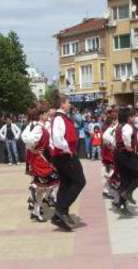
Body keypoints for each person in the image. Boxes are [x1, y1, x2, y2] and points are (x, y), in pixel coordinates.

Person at [50, 93, 86, 231]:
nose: (69, 104)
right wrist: (67, 148)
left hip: (64, 155)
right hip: (65, 155)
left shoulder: (63, 118)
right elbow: (57, 138)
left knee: (66, 183)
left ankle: (59, 216)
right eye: (68, 102)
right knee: (79, 181)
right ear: (62, 104)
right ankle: (61, 210)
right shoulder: (59, 119)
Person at [22, 103, 59, 223]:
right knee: (54, 179)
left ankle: (36, 210)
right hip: (40, 160)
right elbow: (27, 138)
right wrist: (31, 148)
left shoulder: (41, 126)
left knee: (44, 187)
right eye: (46, 113)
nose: (48, 115)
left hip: (42, 158)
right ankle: (35, 190)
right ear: (42, 115)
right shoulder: (38, 127)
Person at [115, 108, 138, 214]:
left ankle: (121, 204)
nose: (134, 118)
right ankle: (128, 192)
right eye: (133, 116)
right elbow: (126, 136)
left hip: (119, 154)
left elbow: (107, 137)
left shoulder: (118, 126)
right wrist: (128, 146)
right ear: (128, 118)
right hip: (127, 154)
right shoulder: (127, 127)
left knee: (126, 178)